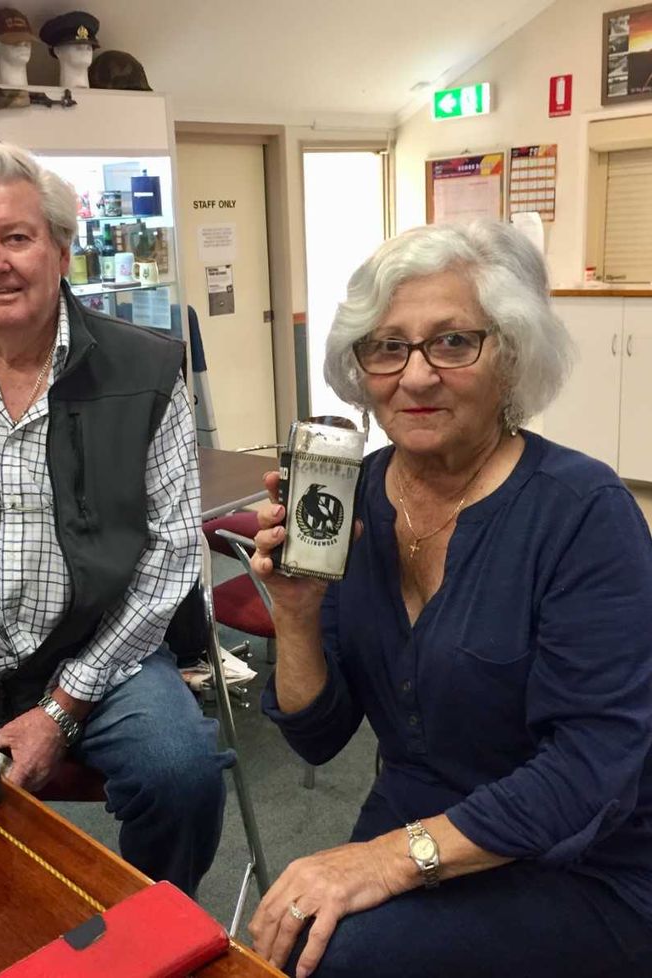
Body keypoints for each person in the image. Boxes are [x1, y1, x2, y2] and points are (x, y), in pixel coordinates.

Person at [248, 220, 652, 977]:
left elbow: (591, 770)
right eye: (388, 346)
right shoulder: (357, 497)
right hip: (417, 817)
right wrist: (296, 615)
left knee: (335, 959)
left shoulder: (584, 513)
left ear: (512, 355)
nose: (417, 375)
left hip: (583, 859)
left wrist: (387, 861)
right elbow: (316, 738)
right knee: (302, 936)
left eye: (453, 343)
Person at [0, 141, 232, 898]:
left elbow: (170, 556)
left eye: (16, 237)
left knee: (182, 772)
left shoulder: (146, 369)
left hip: (97, 651)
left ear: (60, 249)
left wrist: (64, 706)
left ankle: (151, 932)